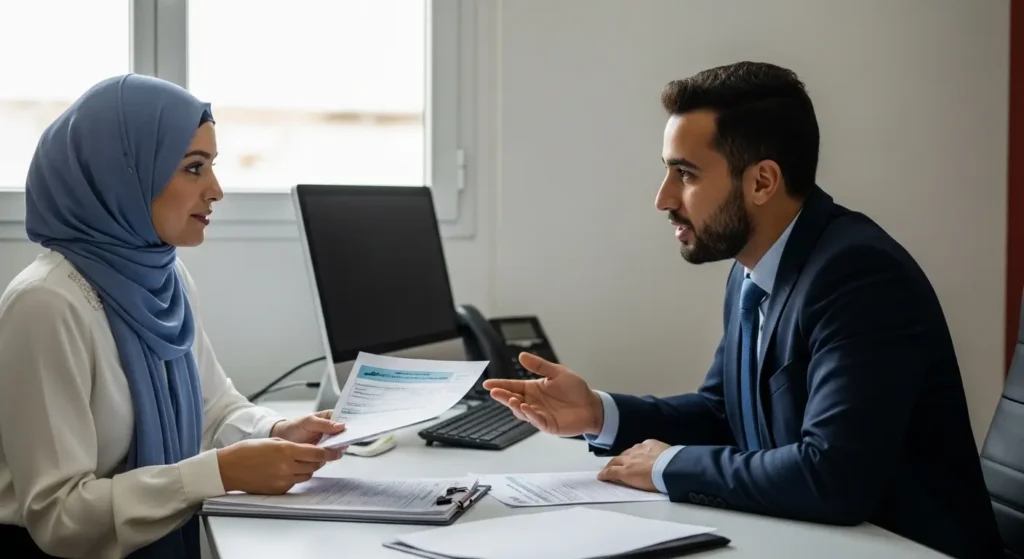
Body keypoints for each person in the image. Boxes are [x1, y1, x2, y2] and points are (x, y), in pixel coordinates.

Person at [484, 61, 1003, 559]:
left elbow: (832, 476)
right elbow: (724, 415)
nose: (663, 199)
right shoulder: (754, 269)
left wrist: (668, 464)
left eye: (685, 174)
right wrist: (599, 413)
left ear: (761, 182)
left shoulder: (859, 276)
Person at [0, 74, 347, 559]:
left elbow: (214, 409)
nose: (216, 190)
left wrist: (277, 431)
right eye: (193, 168)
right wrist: (220, 473)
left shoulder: (168, 278)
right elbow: (59, 515)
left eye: (211, 166)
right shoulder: (47, 304)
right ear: (123, 173)